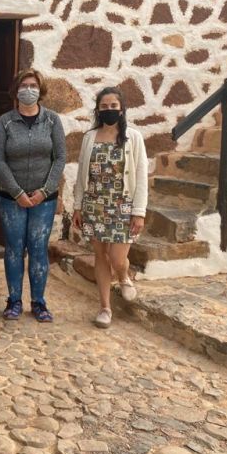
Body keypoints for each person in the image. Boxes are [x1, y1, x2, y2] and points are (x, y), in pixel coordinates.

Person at [0, 69, 66, 322]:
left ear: (40, 89)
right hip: (10, 197)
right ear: (16, 90)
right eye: (24, 85)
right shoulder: (5, 121)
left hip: (44, 199)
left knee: (38, 249)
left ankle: (38, 302)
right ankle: (13, 300)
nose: (28, 89)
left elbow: (60, 158)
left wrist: (44, 191)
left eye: (33, 85)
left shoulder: (53, 121)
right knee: (14, 248)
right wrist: (18, 193)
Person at [72, 86, 148, 328]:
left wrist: (139, 211)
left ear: (122, 109)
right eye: (104, 106)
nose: (109, 110)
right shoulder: (89, 138)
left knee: (117, 257)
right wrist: (77, 207)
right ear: (98, 109)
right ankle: (105, 307)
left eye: (113, 106)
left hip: (122, 206)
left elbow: (141, 176)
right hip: (94, 204)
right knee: (100, 256)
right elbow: (82, 175)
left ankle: (124, 276)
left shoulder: (133, 138)